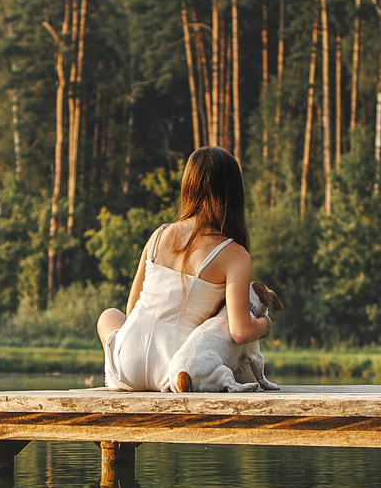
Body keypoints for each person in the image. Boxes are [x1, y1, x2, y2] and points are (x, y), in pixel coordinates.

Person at [97, 146, 275, 393]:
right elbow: (241, 331)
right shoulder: (234, 255)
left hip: (126, 365)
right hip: (179, 366)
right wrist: (264, 324)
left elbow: (132, 308)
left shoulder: (159, 235)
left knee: (109, 315)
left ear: (188, 188)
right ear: (234, 193)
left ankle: (122, 373)